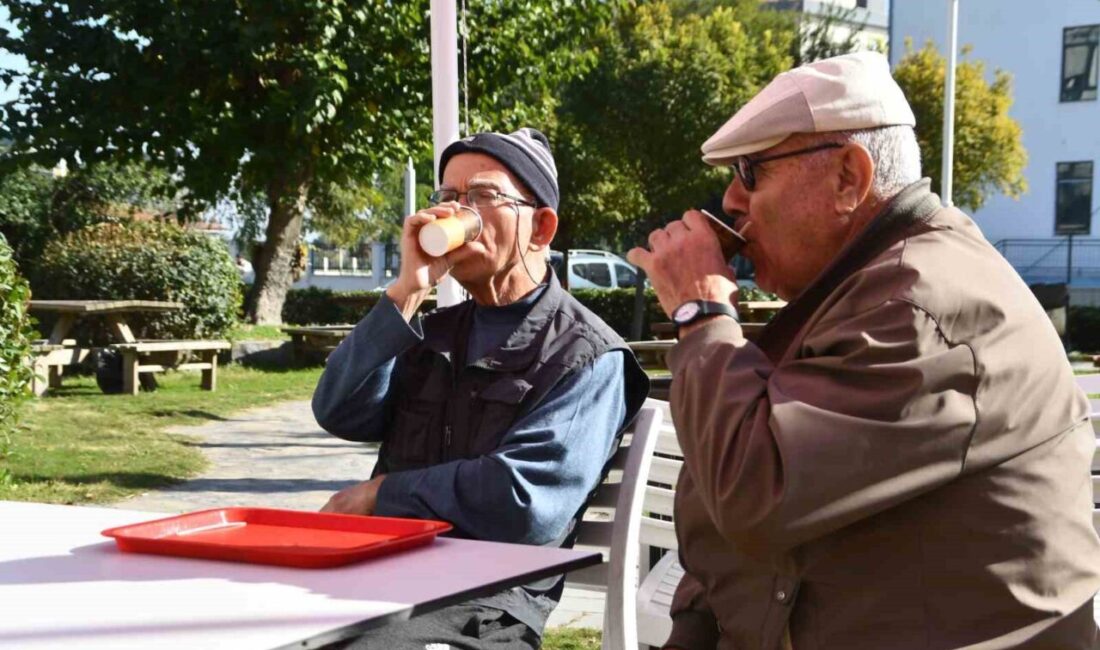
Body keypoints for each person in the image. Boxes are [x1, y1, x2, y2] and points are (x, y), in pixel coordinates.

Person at [627, 52, 1100, 649]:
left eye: (751, 171)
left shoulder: (918, 307)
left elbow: (752, 494)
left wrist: (702, 313)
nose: (731, 201)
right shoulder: (859, 290)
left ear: (849, 177)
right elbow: (719, 525)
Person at [312, 127, 649, 650]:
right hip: (381, 576)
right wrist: (405, 294)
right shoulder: (435, 332)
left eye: (481, 197)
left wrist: (383, 494)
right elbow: (339, 411)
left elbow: (526, 502)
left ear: (541, 227)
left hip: (483, 608)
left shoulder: (586, 353)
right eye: (447, 196)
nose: (454, 213)